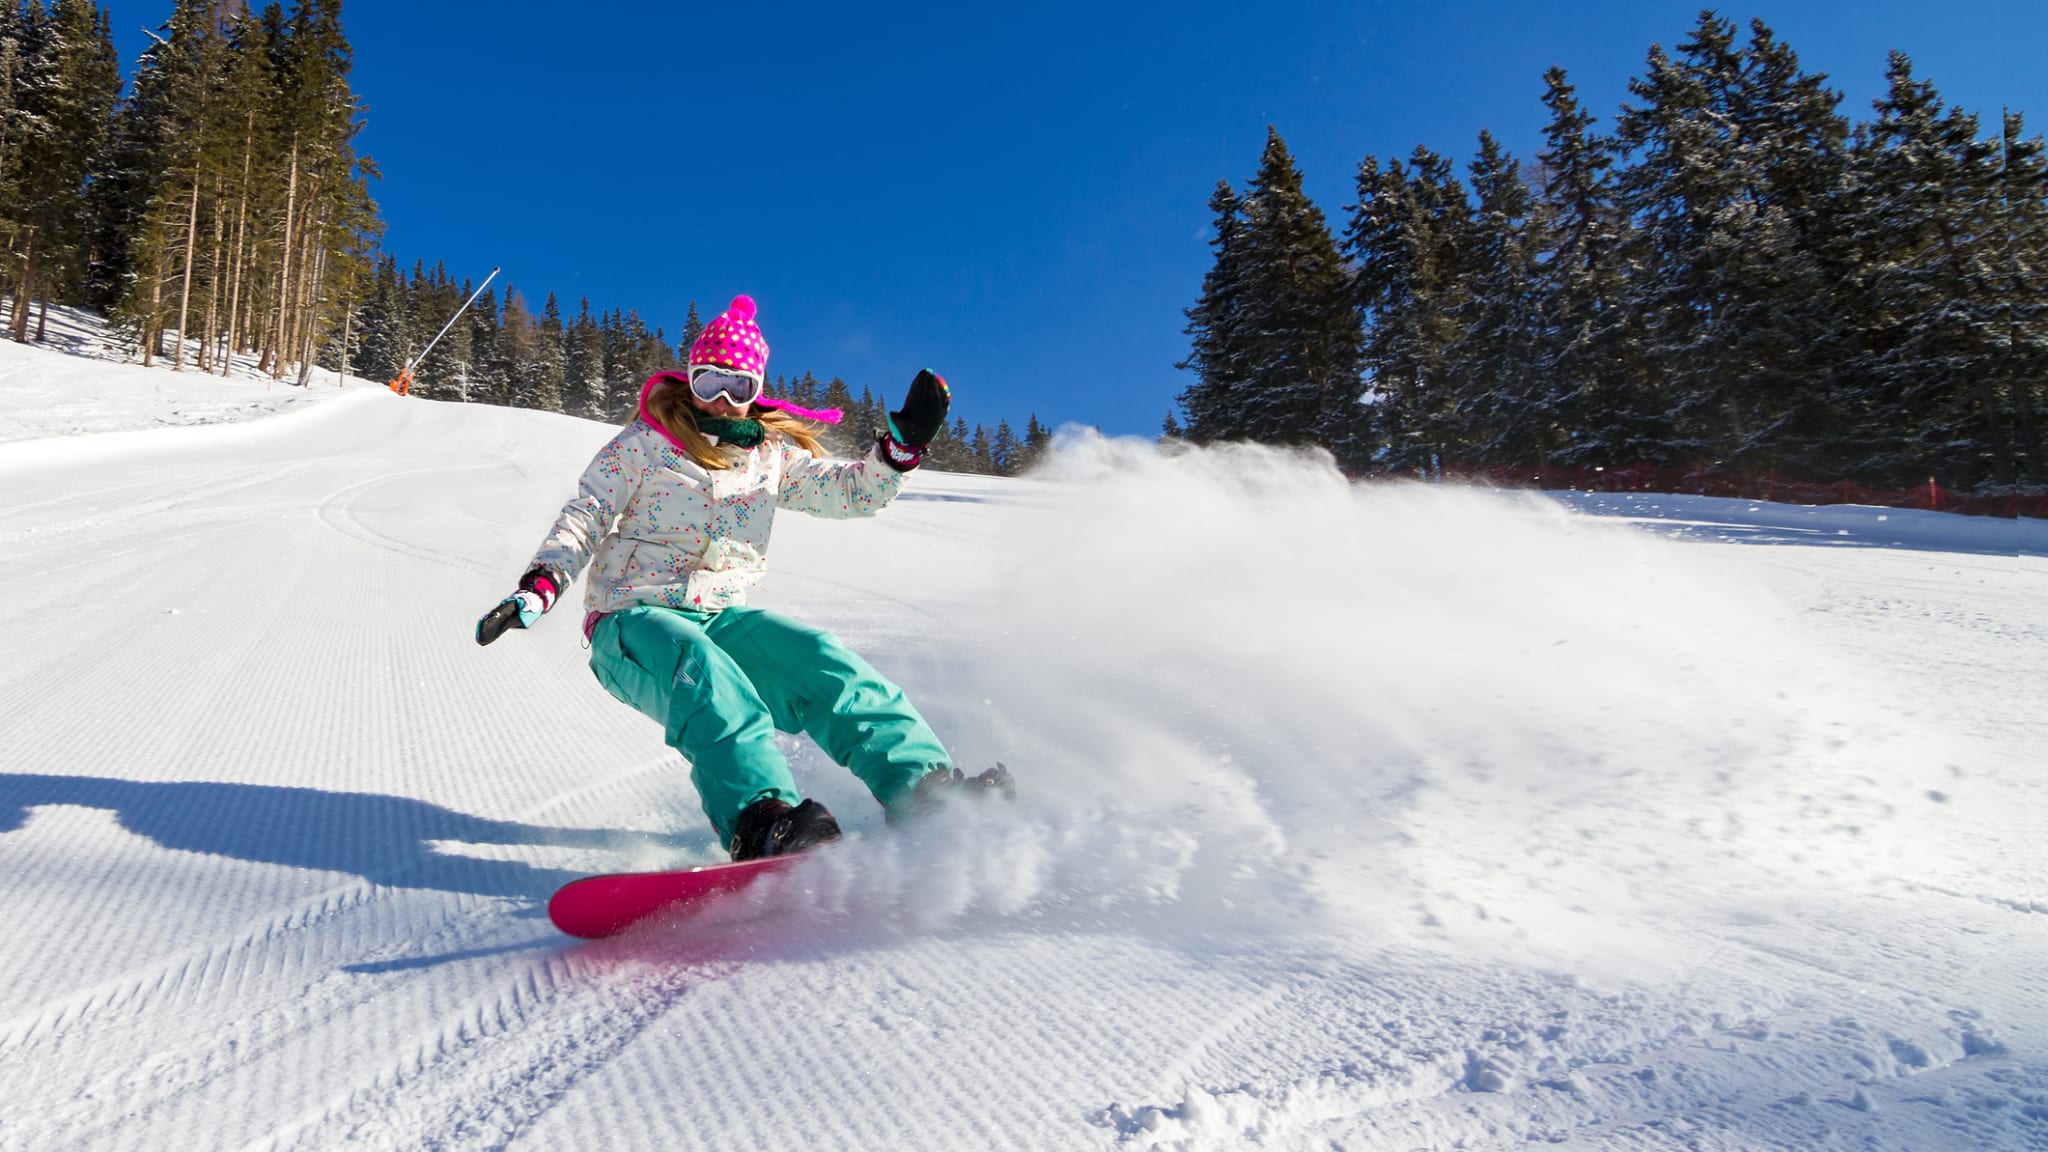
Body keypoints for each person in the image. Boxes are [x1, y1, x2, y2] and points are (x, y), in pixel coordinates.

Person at [476, 294, 1010, 861]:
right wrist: (542, 583)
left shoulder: (769, 457)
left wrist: (900, 452)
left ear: (757, 390)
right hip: (632, 620)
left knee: (823, 662)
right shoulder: (644, 443)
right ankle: (760, 819)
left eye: (739, 387)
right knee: (705, 675)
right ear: (690, 380)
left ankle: (922, 791)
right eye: (709, 384)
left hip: (718, 616)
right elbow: (587, 512)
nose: (723, 401)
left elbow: (850, 493)